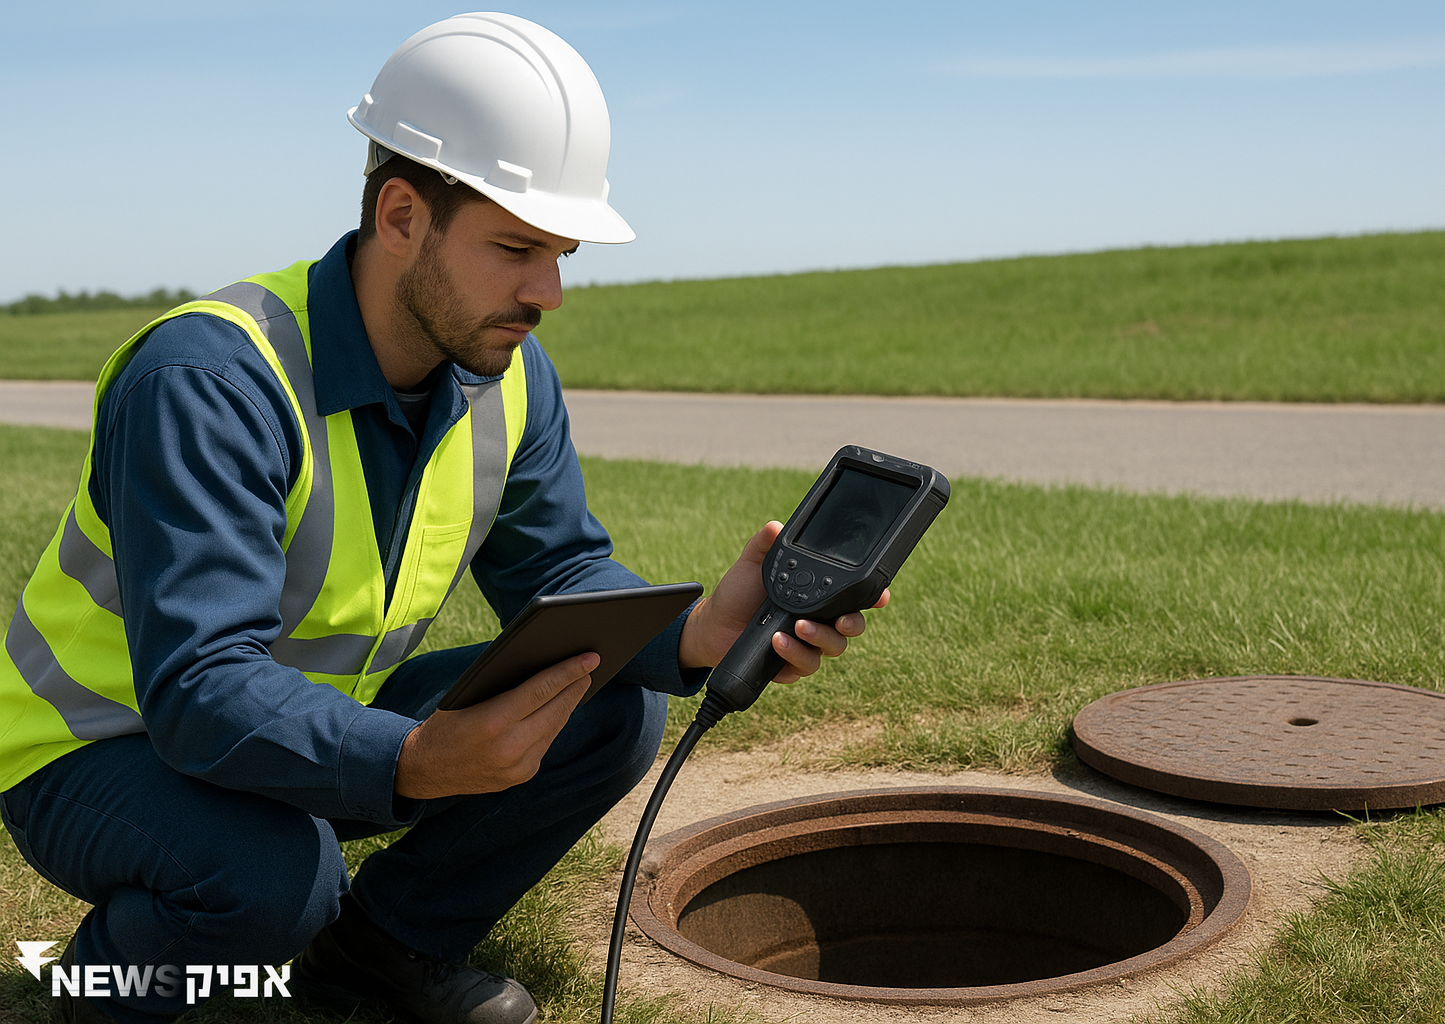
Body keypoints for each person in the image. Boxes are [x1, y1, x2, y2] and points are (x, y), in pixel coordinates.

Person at [0, 14, 883, 1024]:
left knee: (606, 695)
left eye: (561, 253)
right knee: (276, 876)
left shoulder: (502, 371)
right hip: (102, 745)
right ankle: (102, 989)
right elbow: (198, 687)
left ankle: (371, 962)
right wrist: (411, 761)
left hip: (307, 709)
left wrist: (692, 632)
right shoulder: (210, 380)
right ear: (402, 214)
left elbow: (558, 574)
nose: (547, 292)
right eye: (515, 248)